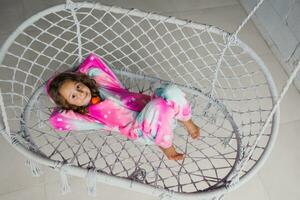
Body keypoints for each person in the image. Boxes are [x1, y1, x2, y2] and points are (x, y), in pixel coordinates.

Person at [47, 53, 200, 160]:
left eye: (78, 86)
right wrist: (56, 95)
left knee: (169, 91)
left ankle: (187, 121)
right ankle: (166, 147)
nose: (80, 93)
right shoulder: (86, 114)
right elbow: (56, 119)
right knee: (160, 105)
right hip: (142, 129)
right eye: (73, 96)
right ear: (70, 105)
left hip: (154, 110)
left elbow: (92, 62)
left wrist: (77, 76)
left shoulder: (102, 85)